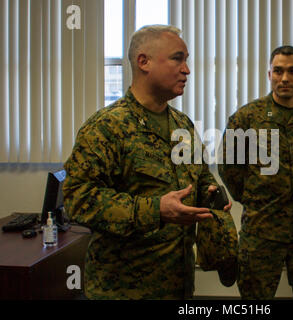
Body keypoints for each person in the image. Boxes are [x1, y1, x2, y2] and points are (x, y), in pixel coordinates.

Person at [63, 25, 233, 300]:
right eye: (178, 58)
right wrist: (155, 210)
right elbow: (78, 200)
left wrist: (210, 193)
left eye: (186, 60)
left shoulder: (182, 125)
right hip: (123, 289)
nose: (187, 69)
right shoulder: (107, 126)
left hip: (178, 283)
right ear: (144, 62)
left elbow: (200, 176)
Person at [218, 46, 293, 299]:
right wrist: (254, 199)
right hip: (263, 229)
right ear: (269, 73)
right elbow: (229, 168)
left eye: (292, 71)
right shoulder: (246, 118)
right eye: (278, 71)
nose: (285, 78)